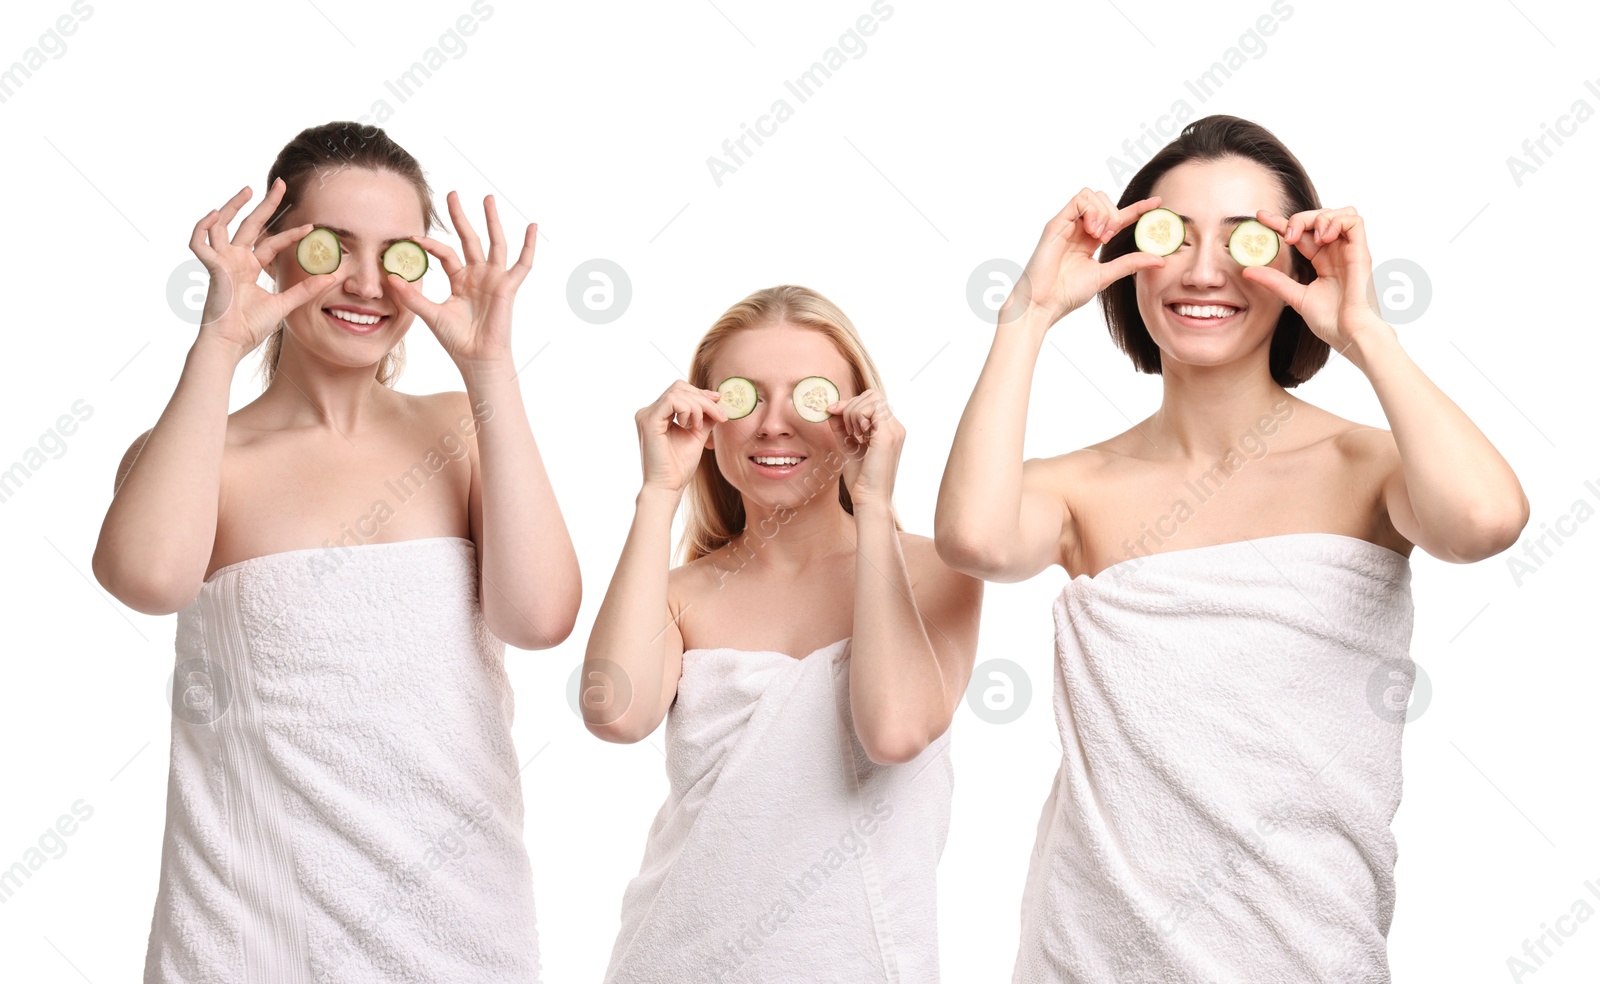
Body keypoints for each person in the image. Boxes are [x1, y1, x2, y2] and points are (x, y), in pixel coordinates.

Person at [933, 115, 1528, 983]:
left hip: (1304, 954)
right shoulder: (1078, 487)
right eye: (1172, 236)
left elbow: (1484, 522)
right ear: (1129, 259)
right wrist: (1025, 319)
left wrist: (1365, 333)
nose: (1204, 270)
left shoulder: (1364, 468)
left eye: (1243, 239)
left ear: (1294, 261)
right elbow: (974, 537)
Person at [91, 120, 579, 982]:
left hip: (461, 932)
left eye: (398, 255)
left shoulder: (461, 430)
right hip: (253, 937)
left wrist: (491, 367)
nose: (366, 283)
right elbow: (147, 578)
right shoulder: (206, 455)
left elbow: (539, 618)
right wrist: (219, 343)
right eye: (330, 247)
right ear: (273, 254)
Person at [583, 285, 982, 982]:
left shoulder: (934, 568)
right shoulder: (681, 596)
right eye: (743, 397)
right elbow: (614, 714)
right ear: (709, 419)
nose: (773, 424)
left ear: (860, 416)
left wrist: (875, 500)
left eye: (809, 397)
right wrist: (659, 492)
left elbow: (894, 732)